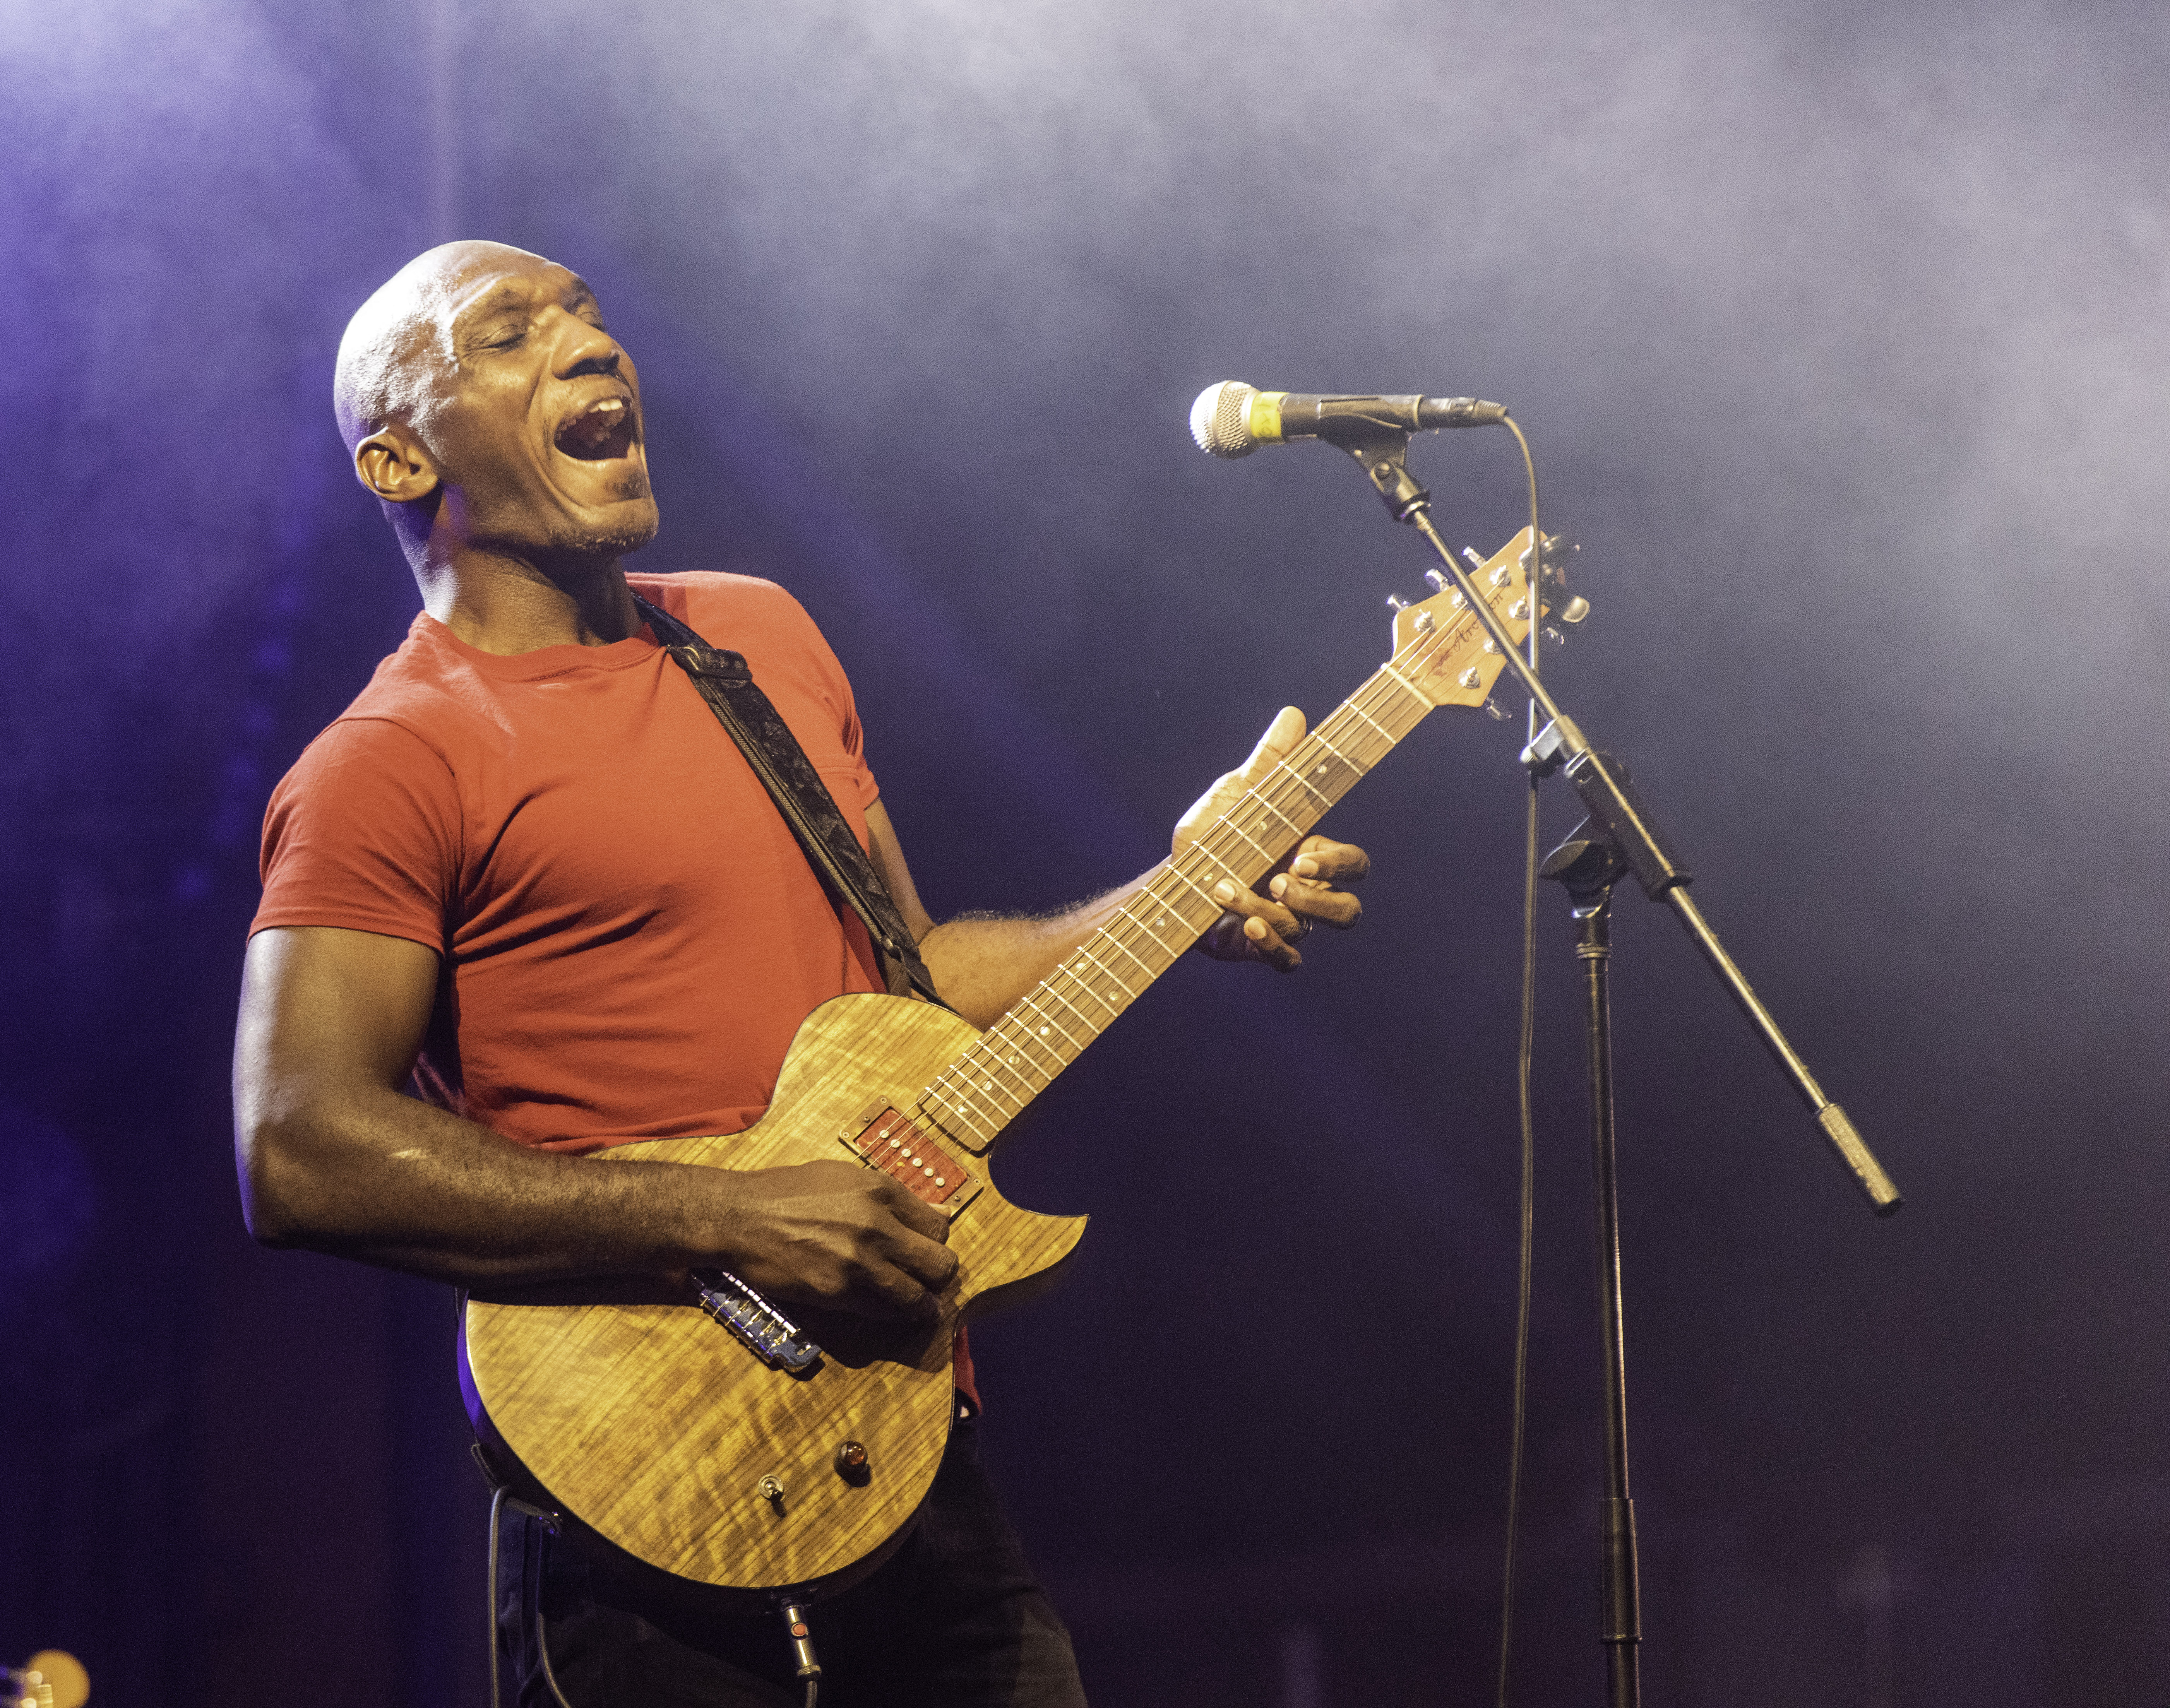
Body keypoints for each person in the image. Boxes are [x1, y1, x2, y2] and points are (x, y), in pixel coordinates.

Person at [231, 241, 1371, 1707]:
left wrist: (1178, 895)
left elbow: (911, 987)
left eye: (588, 315)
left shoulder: (755, 637)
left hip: (902, 1441)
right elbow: (296, 1144)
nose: (591, 346)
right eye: (509, 335)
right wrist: (731, 1217)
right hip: (647, 1488)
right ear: (398, 460)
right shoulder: (390, 763)